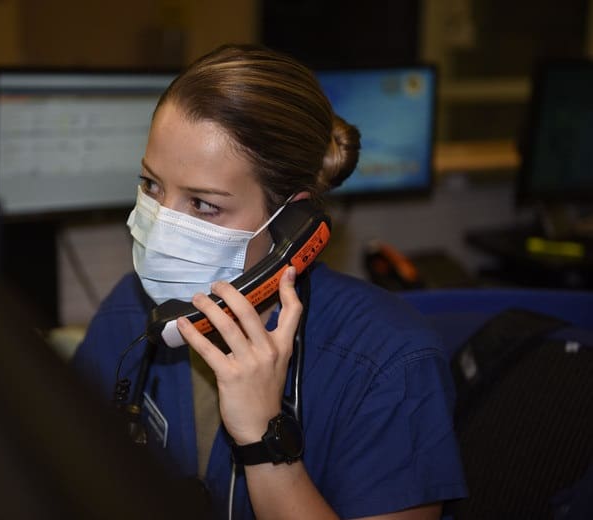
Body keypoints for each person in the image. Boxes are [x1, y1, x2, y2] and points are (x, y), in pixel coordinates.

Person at [71, 44, 467, 519]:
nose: (158, 224)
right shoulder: (128, 313)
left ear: (293, 223)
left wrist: (264, 441)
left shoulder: (388, 362)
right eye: (152, 185)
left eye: (202, 204)